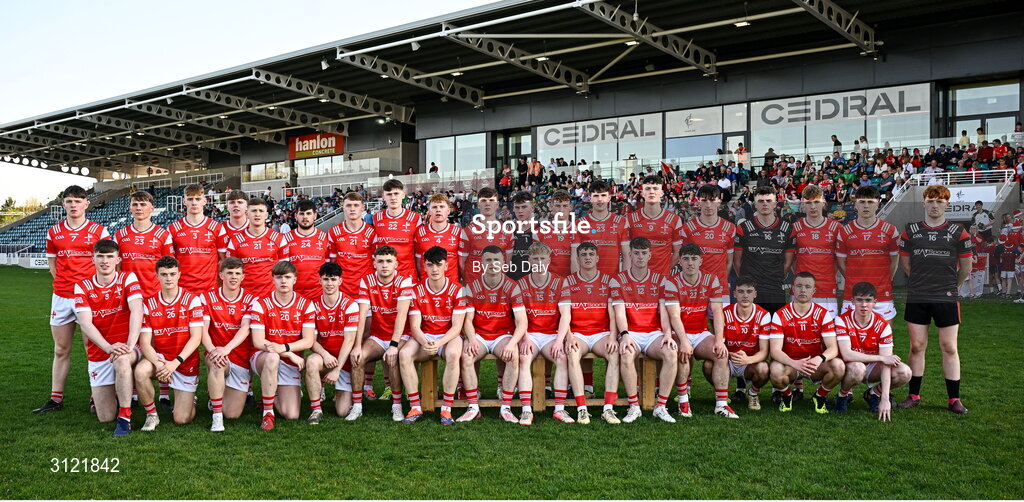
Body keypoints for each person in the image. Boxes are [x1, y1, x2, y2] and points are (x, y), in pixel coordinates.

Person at [34, 185, 111, 414]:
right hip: (62, 297)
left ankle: (95, 397)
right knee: (60, 349)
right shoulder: (54, 232)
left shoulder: (99, 231)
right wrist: (66, 287)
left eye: (78, 201)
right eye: (69, 201)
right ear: (64, 205)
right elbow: (53, 266)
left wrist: (87, 289)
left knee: (93, 349)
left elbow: (106, 265)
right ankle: (56, 399)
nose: (74, 205)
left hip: (90, 297)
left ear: (87, 204)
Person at [898, 185, 973, 414]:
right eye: (931, 201)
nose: (935, 205)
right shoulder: (910, 231)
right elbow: (906, 266)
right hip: (918, 295)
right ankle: (913, 395)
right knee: (917, 346)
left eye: (940, 202)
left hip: (946, 296)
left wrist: (950, 287)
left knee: (949, 347)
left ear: (947, 204)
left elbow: (966, 269)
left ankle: (954, 399)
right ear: (923, 203)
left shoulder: (959, 232)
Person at [72, 239, 143, 436]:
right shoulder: (82, 286)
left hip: (128, 349)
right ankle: (108, 395)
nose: (105, 261)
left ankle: (125, 418)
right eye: (100, 256)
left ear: (118, 259)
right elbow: (86, 323)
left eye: (110, 257)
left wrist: (129, 345)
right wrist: (108, 347)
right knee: (104, 417)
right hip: (101, 352)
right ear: (93, 258)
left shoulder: (127, 278)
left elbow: (137, 311)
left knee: (122, 361)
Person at [612, 237, 680, 423]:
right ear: (629, 254)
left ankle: (661, 406)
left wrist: (667, 333)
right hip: (630, 332)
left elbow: (664, 313)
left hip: (653, 334)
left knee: (671, 352)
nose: (640, 257)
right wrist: (624, 335)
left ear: (650, 255)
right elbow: (619, 313)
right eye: (636, 253)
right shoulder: (618, 280)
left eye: (643, 253)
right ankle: (634, 407)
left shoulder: (660, 280)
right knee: (626, 354)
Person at [134, 256, 204, 430]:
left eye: (172, 274)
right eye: (164, 274)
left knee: (181, 419)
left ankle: (190, 398)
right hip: (161, 359)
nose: (168, 278)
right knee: (141, 371)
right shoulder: (149, 303)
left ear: (179, 274)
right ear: (157, 276)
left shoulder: (192, 300)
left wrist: (174, 363)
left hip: (183, 361)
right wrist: (159, 364)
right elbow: (145, 343)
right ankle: (152, 415)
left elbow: (196, 338)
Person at [459, 246, 527, 423]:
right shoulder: (472, 286)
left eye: (496, 260)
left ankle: (506, 407)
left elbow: (522, 321)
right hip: (480, 335)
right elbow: (467, 319)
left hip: (502, 335)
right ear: (482, 263)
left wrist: (512, 343)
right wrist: (472, 339)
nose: (492, 264)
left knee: (513, 356)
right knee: (466, 356)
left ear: (503, 263)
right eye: (488, 260)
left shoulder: (512, 286)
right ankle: (473, 407)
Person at [398, 247, 465, 425]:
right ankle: (415, 406)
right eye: (430, 265)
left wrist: (439, 343)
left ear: (446, 266)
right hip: (425, 336)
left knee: (453, 354)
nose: (434, 269)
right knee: (404, 354)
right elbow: (414, 326)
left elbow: (457, 326)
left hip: (448, 337)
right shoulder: (416, 290)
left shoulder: (458, 290)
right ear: (424, 267)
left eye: (438, 265)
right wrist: (426, 342)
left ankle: (446, 409)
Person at [667, 244, 735, 418]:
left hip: (701, 332)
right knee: (682, 354)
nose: (690, 263)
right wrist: (683, 341)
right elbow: (674, 317)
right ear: (680, 261)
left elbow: (718, 312)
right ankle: (683, 402)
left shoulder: (711, 280)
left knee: (721, 353)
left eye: (694, 259)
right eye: (686, 259)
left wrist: (720, 340)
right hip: (679, 333)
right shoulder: (672, 282)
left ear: (700, 261)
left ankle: (721, 404)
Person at [249, 260, 317, 430]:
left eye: (287, 277)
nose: (283, 281)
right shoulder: (261, 303)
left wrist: (284, 348)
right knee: (273, 358)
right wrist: (288, 353)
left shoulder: (306, 304)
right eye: (279, 277)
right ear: (273, 279)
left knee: (291, 414)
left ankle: (271, 393)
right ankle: (267, 413)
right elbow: (258, 341)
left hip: (288, 360)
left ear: (295, 279)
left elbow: (308, 341)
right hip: (263, 357)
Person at [348, 246, 414, 422]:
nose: (385, 265)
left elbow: (401, 315)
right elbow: (361, 315)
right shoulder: (366, 281)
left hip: (401, 337)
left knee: (392, 358)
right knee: (357, 358)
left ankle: (397, 406)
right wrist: (356, 346)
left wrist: (393, 345)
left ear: (396, 264)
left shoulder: (404, 281)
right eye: (381, 261)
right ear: (374, 264)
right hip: (377, 336)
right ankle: (357, 406)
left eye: (389, 261)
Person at [768, 272, 845, 414]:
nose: (803, 290)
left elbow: (833, 348)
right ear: (793, 289)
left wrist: (819, 359)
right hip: (790, 365)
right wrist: (795, 363)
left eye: (807, 287)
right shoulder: (780, 314)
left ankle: (820, 396)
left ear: (814, 291)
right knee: (775, 370)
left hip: (813, 365)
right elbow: (775, 351)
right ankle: (787, 396)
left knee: (838, 366)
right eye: (799, 286)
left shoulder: (823, 314)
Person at [834, 282, 912, 420]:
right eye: (859, 300)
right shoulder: (841, 320)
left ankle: (874, 394)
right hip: (850, 366)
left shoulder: (883, 325)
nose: (864, 305)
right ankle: (843, 395)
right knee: (857, 368)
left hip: (871, 367)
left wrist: (885, 398)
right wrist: (881, 358)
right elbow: (846, 354)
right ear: (852, 301)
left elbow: (887, 365)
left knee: (905, 372)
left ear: (875, 302)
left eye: (868, 300)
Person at [515, 243, 572, 425]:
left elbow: (565, 315)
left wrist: (558, 340)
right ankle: (526, 410)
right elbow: (520, 318)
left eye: (543, 259)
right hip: (530, 333)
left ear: (549, 260)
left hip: (550, 335)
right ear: (529, 261)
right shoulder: (521, 284)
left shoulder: (560, 282)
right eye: (535, 259)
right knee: (523, 358)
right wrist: (524, 338)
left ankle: (559, 409)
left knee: (562, 358)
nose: (539, 262)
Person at [565, 242, 622, 424]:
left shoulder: (609, 281)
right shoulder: (569, 281)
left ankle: (608, 408)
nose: (587, 257)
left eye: (591, 254)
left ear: (597, 258)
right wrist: (569, 336)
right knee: (572, 353)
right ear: (578, 258)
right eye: (584, 254)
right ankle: (582, 408)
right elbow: (564, 314)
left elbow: (613, 314)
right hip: (578, 334)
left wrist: (613, 337)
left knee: (613, 353)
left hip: (601, 333)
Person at [200, 258, 255, 432]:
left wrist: (227, 349)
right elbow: (203, 330)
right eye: (229, 273)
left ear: (243, 276)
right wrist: (213, 351)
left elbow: (245, 328)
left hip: (239, 358)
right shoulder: (207, 297)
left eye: (237, 273)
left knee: (232, 414)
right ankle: (217, 418)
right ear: (221, 274)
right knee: (216, 364)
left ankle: (216, 396)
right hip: (216, 353)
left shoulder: (251, 299)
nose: (233, 277)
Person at [304, 262, 360, 425]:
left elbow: (349, 340)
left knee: (342, 412)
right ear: (320, 281)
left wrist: (337, 369)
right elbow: (311, 341)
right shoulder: (312, 305)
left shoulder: (350, 305)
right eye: (326, 279)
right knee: (312, 361)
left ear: (340, 281)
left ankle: (338, 389)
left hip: (343, 362)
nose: (329, 283)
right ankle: (316, 409)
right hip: (325, 357)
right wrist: (325, 354)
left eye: (333, 279)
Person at [836, 186, 899, 319]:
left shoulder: (890, 230)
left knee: (884, 339)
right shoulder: (844, 231)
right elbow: (841, 263)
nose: (866, 206)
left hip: (882, 294)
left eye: (870, 202)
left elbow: (894, 260)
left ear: (878, 204)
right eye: (862, 202)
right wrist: (854, 280)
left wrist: (885, 280)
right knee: (851, 339)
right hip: (853, 294)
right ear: (855, 205)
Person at [734, 186, 794, 314]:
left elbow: (788, 263)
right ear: (755, 205)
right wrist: (746, 281)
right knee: (751, 331)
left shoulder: (787, 228)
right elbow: (737, 262)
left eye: (768, 200)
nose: (765, 204)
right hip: (751, 290)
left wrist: (775, 277)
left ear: (775, 204)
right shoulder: (743, 228)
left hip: (775, 288)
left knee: (775, 331)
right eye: (761, 201)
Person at [680, 184, 736, 304]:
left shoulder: (730, 228)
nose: (708, 205)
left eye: (712, 200)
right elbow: (684, 262)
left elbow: (729, 261)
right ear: (698, 203)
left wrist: (721, 281)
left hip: (720, 289)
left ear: (718, 202)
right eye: (704, 200)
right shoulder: (687, 228)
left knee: (721, 323)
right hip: (694, 289)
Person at [721, 276, 771, 410]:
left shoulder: (764, 315)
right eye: (741, 291)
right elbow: (719, 346)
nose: (745, 295)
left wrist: (747, 359)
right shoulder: (724, 313)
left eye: (749, 291)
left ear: (755, 294)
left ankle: (753, 393)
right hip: (728, 360)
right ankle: (721, 394)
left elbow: (764, 352)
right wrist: (732, 355)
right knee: (708, 365)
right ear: (734, 293)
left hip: (750, 362)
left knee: (764, 368)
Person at [790, 185, 841, 317]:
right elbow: (791, 260)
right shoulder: (795, 227)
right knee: (800, 334)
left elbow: (839, 259)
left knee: (827, 335)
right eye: (808, 203)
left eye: (816, 202)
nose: (813, 207)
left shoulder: (836, 227)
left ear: (823, 203)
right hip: (801, 289)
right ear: (803, 204)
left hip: (827, 289)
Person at [224, 198, 289, 298]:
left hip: (271, 296)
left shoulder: (279, 239)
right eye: (254, 211)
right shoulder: (235, 241)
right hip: (244, 297)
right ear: (247, 214)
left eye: (261, 211)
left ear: (266, 215)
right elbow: (230, 272)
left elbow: (284, 272)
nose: (257, 214)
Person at [114, 190, 173, 297]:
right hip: (128, 294)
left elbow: (168, 267)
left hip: (155, 294)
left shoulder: (163, 235)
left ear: (152, 208)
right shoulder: (119, 235)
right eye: (135, 204)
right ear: (130, 208)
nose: (139, 208)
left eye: (143, 204)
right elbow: (117, 267)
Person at [170, 184, 224, 294]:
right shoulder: (173, 229)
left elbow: (223, 260)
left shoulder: (217, 228)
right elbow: (170, 262)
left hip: (210, 290)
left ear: (204, 201)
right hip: (183, 290)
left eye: (198, 199)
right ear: (184, 201)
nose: (194, 203)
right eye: (190, 199)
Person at [627, 176, 683, 276]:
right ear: (642, 193)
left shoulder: (674, 219)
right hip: (637, 278)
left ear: (661, 193)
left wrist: (664, 269)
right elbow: (626, 251)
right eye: (647, 189)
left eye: (655, 189)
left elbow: (678, 252)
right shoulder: (631, 219)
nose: (651, 192)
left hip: (662, 279)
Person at [572, 180, 629, 276]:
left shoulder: (621, 222)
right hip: (587, 280)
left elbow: (627, 256)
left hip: (613, 281)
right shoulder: (580, 223)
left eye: (603, 195)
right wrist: (577, 282)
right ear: (590, 198)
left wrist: (624, 281)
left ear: (609, 198)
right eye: (596, 196)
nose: (599, 199)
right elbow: (574, 256)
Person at [328, 192, 377, 299]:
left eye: (356, 205)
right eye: (348, 205)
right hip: (342, 290)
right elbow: (332, 263)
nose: (352, 209)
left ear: (362, 207)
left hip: (366, 290)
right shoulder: (334, 232)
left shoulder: (371, 232)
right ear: (343, 207)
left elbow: (375, 264)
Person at [374, 179, 422, 282]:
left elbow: (419, 252)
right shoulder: (376, 219)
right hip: (384, 278)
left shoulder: (415, 218)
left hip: (408, 276)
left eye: (396, 193)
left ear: (403, 195)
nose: (393, 198)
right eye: (389, 194)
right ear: (383, 196)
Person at [463, 187, 513, 285]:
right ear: (478, 204)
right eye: (483, 201)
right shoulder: (468, 231)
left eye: (491, 200)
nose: (487, 203)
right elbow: (462, 263)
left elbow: (507, 263)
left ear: (497, 204)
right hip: (473, 284)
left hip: (498, 285)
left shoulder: (507, 231)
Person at [413, 194, 466, 286]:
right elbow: (418, 262)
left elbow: (462, 263)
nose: (438, 210)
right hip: (427, 286)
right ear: (429, 211)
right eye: (434, 207)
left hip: (452, 285)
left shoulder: (459, 232)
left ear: (448, 211)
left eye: (442, 206)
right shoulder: (420, 232)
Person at [285, 199, 331, 300]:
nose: (305, 217)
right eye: (301, 214)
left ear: (315, 215)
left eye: (308, 213)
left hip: (320, 296)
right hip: (294, 297)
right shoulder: (285, 239)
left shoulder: (325, 238)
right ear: (296, 216)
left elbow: (328, 269)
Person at [535, 190, 574, 278]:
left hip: (569, 283)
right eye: (558, 206)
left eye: (565, 206)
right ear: (552, 207)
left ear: (570, 207)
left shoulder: (578, 231)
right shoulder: (539, 232)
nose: (561, 210)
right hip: (547, 283)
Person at [217, 190, 250, 259]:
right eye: (232, 202)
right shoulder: (219, 229)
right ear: (227, 206)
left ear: (247, 206)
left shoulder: (254, 229)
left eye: (240, 202)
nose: (236, 205)